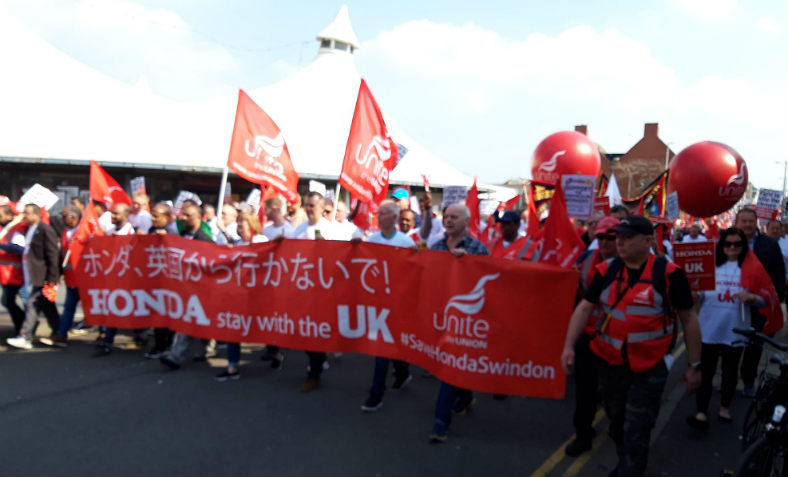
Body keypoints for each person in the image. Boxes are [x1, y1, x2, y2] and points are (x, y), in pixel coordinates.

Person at [560, 215, 701, 477]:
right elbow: (584, 308)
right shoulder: (606, 270)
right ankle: (625, 461)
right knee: (616, 424)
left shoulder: (669, 274)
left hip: (649, 369)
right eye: (618, 238)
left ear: (648, 241)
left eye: (627, 238)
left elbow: (689, 319)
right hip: (609, 364)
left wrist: (694, 365)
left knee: (637, 431)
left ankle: (629, 469)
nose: (620, 243)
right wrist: (568, 347)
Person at [687, 228, 769, 430]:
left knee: (730, 372)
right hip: (709, 328)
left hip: (736, 329)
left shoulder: (752, 269)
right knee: (706, 373)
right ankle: (701, 412)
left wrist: (752, 298)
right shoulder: (710, 267)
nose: (732, 248)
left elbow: (764, 299)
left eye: (737, 244)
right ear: (721, 246)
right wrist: (695, 296)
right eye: (728, 244)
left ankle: (725, 407)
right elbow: (700, 296)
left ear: (743, 247)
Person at [428, 203, 489, 443]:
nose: (449, 220)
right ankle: (464, 396)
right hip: (442, 314)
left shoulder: (478, 248)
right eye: (446, 216)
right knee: (454, 363)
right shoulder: (436, 246)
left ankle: (440, 422)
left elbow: (487, 283)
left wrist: (466, 264)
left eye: (454, 217)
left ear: (466, 222)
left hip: (466, 320)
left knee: (450, 365)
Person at [564, 216, 620, 457]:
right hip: (589, 336)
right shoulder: (586, 261)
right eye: (601, 237)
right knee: (584, 389)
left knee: (614, 392)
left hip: (617, 339)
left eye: (611, 238)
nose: (605, 243)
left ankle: (619, 434)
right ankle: (583, 434)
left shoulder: (631, 264)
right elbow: (569, 290)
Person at [359, 200, 417, 411]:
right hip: (378, 301)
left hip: (398, 301)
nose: (379, 216)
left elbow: (413, 273)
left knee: (390, 343)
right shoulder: (371, 240)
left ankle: (398, 375)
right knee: (381, 346)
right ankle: (378, 392)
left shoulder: (405, 242)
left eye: (383, 213)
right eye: (379, 213)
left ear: (394, 218)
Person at [734, 208, 786, 396]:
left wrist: (775, 299)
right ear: (736, 222)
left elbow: (779, 274)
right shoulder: (727, 243)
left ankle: (748, 380)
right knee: (732, 348)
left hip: (759, 306)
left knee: (754, 348)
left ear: (756, 222)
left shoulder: (770, 245)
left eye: (750, 221)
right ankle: (728, 384)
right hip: (733, 305)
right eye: (743, 221)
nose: (747, 224)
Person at [160, 204, 215, 370]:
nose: (183, 218)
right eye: (182, 215)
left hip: (200, 289)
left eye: (187, 216)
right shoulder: (181, 235)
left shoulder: (205, 240)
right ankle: (205, 348)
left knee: (190, 320)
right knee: (195, 320)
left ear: (199, 218)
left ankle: (177, 356)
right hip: (185, 287)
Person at [292, 192, 337, 391]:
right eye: (307, 205)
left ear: (322, 207)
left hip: (323, 290)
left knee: (314, 332)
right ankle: (317, 362)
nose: (309, 209)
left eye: (313, 205)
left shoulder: (331, 229)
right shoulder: (300, 229)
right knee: (306, 331)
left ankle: (314, 374)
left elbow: (344, 254)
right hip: (303, 289)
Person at [6, 204, 61, 350]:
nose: (24, 215)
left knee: (32, 304)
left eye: (27, 213)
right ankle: (60, 333)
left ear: (37, 215)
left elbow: (52, 254)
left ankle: (25, 336)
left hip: (43, 276)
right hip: (34, 276)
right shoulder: (30, 230)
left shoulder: (45, 230)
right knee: (48, 306)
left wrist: (52, 278)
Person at [93, 203, 138, 356]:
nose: (112, 216)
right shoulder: (110, 231)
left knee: (129, 308)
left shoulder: (132, 231)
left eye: (116, 214)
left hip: (126, 278)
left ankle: (141, 333)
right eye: (112, 213)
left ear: (125, 215)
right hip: (111, 276)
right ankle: (106, 339)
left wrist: (120, 241)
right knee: (112, 307)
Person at [43, 205, 82, 347]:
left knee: (93, 306)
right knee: (69, 306)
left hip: (85, 278)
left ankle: (105, 333)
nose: (62, 218)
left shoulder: (83, 231)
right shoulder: (66, 231)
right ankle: (61, 334)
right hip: (71, 278)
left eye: (64, 216)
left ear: (73, 217)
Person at [143, 203, 177, 359]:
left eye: (156, 216)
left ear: (167, 217)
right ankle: (159, 345)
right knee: (157, 314)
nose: (153, 218)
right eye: (152, 215)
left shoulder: (173, 232)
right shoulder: (151, 230)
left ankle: (166, 346)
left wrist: (168, 239)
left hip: (169, 282)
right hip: (154, 279)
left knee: (167, 316)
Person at [0, 204, 27, 335]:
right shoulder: (4, 229)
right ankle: (23, 325)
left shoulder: (17, 229)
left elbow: (19, 248)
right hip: (5, 275)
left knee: (10, 301)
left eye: (1, 216)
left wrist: (2, 246)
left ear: (10, 216)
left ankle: (23, 326)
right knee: (8, 301)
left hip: (15, 274)